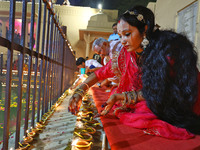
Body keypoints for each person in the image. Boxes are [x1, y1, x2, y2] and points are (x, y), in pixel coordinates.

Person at [69, 6, 200, 139]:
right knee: (120, 98)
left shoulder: (166, 53)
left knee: (142, 112)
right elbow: (101, 72)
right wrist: (80, 90)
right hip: (150, 96)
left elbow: (162, 92)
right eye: (120, 36)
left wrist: (123, 97)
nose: (122, 41)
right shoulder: (126, 54)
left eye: (127, 34)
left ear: (144, 30)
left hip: (179, 99)